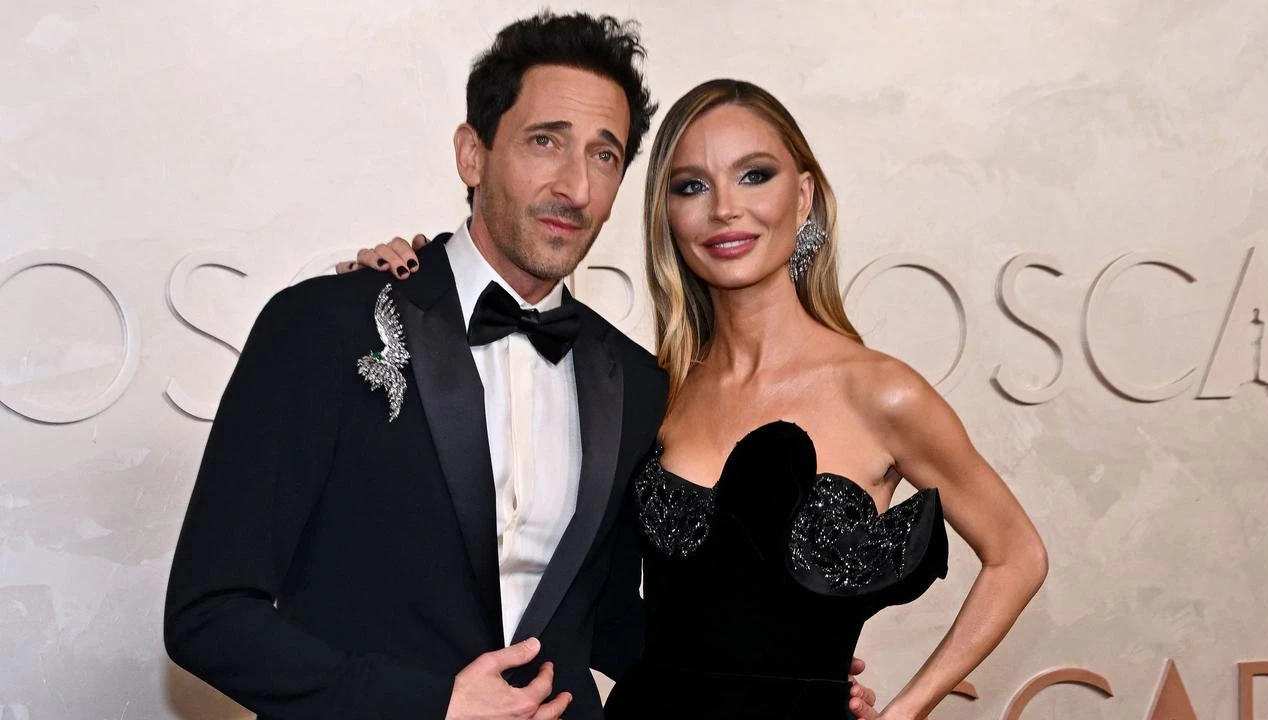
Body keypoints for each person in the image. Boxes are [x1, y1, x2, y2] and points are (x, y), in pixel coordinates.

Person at [349, 79, 1048, 719]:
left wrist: (901, 712)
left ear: (802, 196)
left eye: (754, 175)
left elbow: (1017, 555)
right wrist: (398, 290)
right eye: (690, 186)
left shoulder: (881, 392)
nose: (725, 209)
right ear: (667, 215)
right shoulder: (653, 390)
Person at [165, 13, 664, 720]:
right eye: (545, 141)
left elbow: (610, 625)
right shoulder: (325, 326)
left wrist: (787, 680)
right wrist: (432, 705)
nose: (576, 187)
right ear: (472, 153)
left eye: (604, 156)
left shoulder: (635, 382)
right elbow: (208, 615)